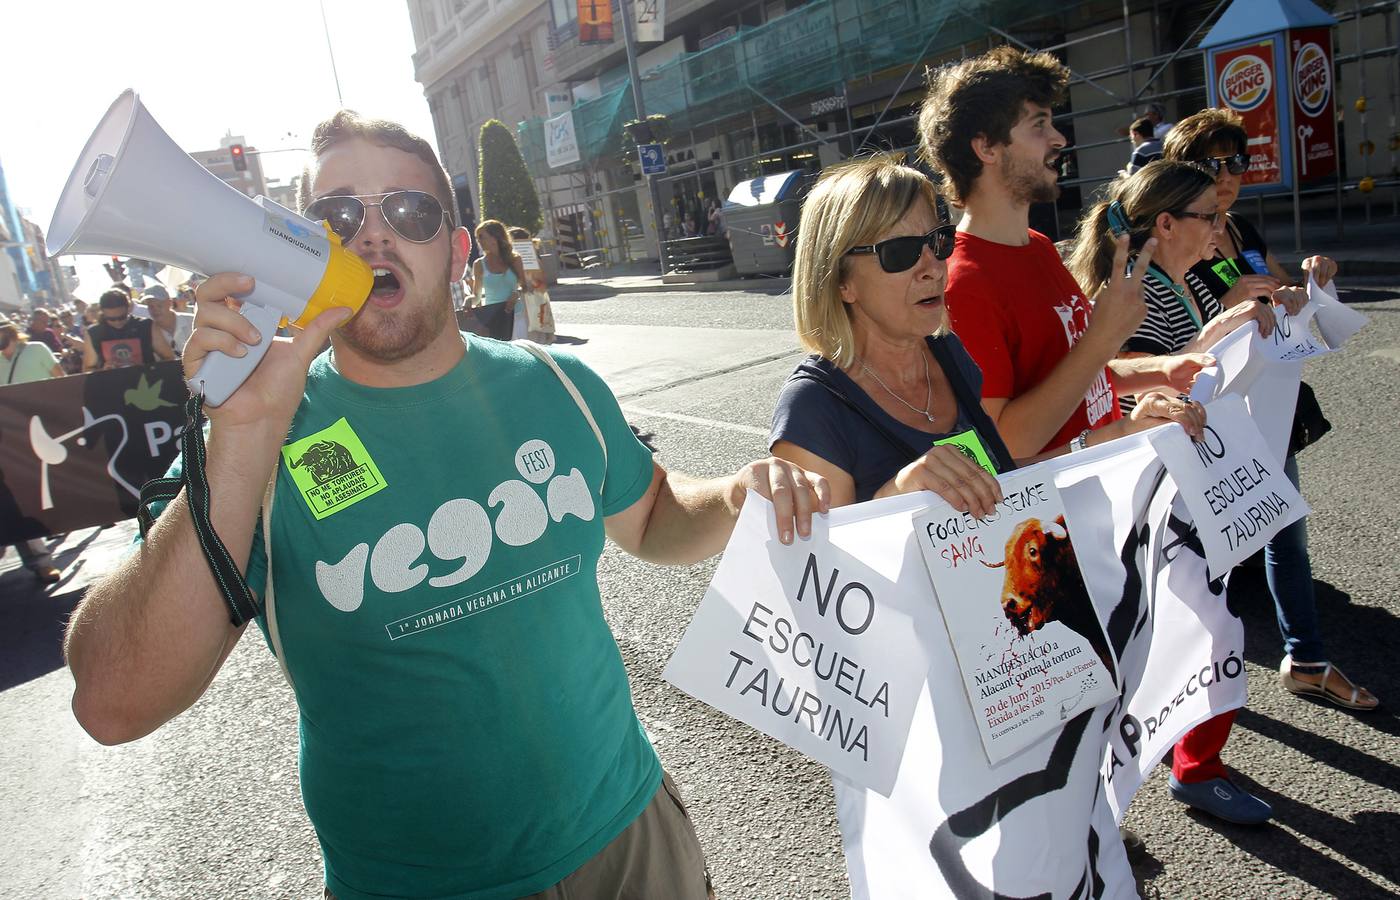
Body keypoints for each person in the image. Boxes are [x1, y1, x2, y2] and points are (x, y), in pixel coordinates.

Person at [63, 109, 828, 900]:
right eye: (338, 216)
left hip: (631, 843)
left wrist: (737, 494)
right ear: (303, 251)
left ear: (459, 253)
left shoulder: (558, 384)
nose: (373, 236)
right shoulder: (256, 439)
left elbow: (653, 517)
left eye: (411, 211)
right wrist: (243, 435)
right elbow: (114, 703)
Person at [1163, 109, 1376, 714]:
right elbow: (1166, 346)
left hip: (1268, 404)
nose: (1228, 175)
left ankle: (1303, 659)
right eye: (1212, 164)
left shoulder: (1240, 229)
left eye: (1238, 161)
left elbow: (1280, 291)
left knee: (1285, 530)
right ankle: (1185, 688)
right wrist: (1226, 306)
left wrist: (1309, 283)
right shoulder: (1176, 237)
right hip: (1212, 417)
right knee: (1197, 554)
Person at [918, 45, 1211, 463]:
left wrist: (1161, 372)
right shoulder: (964, 282)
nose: (1058, 140)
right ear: (987, 148)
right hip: (1060, 521)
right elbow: (1004, 442)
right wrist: (1104, 337)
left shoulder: (1037, 246)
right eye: (1039, 126)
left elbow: (1073, 376)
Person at [1066, 160, 1279, 415]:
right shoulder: (1137, 291)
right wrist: (1221, 324)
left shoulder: (1187, 279)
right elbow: (1148, 398)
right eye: (1210, 216)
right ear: (1167, 224)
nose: (1219, 228)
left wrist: (1282, 307)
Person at [1, 311, 64, 585]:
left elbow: (62, 382)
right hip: (8, 440)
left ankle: (40, 561)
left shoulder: (36, 349)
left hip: (42, 431)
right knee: (14, 498)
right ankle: (37, 558)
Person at [83, 287, 174, 371]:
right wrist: (103, 370)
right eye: (111, 319)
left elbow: (168, 357)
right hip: (111, 384)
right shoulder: (94, 333)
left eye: (122, 317)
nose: (117, 322)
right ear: (102, 313)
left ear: (129, 309)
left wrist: (148, 368)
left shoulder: (146, 325)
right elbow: (88, 368)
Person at [471, 218, 525, 341]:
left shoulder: (515, 259)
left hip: (517, 315)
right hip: (493, 318)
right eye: (477, 238)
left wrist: (517, 293)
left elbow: (525, 286)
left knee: (522, 355)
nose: (478, 241)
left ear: (495, 237)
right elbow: (476, 296)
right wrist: (468, 301)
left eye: (481, 236)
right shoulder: (479, 264)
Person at [140, 284, 194, 357]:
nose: (155, 310)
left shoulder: (193, 321)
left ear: (170, 303)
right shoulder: (147, 331)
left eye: (159, 305)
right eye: (151, 306)